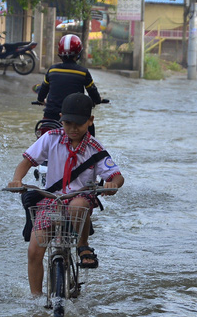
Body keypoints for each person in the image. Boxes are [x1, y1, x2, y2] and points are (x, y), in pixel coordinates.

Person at [7, 93, 125, 296]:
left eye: (79, 123)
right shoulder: (50, 138)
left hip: (81, 198)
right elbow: (27, 161)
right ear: (61, 118)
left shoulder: (94, 148)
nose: (73, 128)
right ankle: (36, 298)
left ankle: (83, 245)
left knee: (77, 206)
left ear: (90, 121)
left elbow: (117, 175)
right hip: (51, 199)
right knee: (34, 250)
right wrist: (17, 179)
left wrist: (113, 184)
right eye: (68, 123)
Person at [37, 34, 102, 135]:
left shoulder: (52, 70)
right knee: (90, 129)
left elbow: (42, 93)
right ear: (79, 53)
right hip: (73, 118)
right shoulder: (83, 72)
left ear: (59, 54)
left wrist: (41, 100)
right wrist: (97, 100)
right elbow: (94, 95)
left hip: (49, 119)